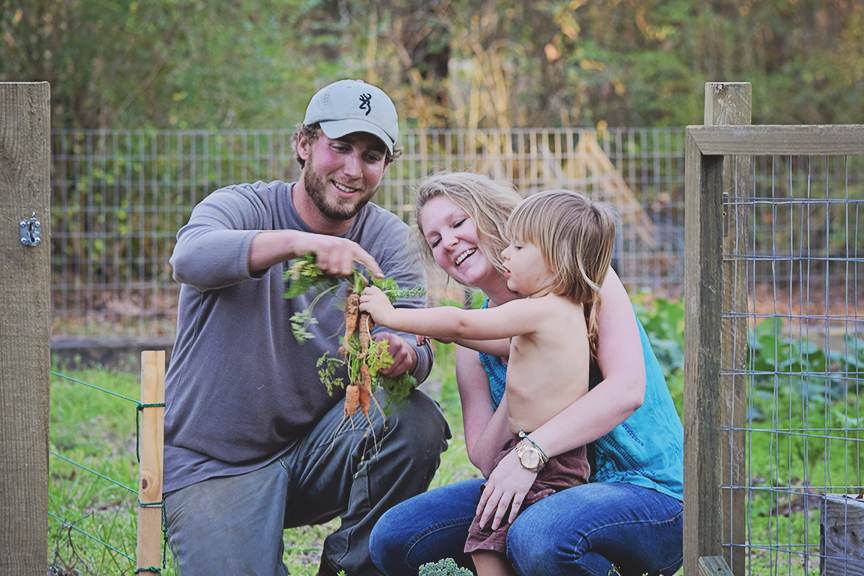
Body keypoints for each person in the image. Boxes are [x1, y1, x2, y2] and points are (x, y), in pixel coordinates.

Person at [162, 79, 450, 576]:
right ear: (303, 144)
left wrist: (404, 353)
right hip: (217, 464)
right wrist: (299, 244)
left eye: (372, 155)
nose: (353, 170)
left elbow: (413, 337)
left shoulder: (389, 240)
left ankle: (351, 567)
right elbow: (189, 258)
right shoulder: (241, 207)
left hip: (322, 450)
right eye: (339, 148)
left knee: (414, 420)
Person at [369, 172, 684, 576]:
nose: (447, 242)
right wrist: (521, 392)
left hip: (645, 489)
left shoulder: (582, 277)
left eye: (458, 223)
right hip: (543, 487)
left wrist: (531, 451)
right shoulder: (477, 337)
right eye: (434, 240)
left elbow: (626, 390)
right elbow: (485, 457)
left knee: (537, 536)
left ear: (493, 215)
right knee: (396, 536)